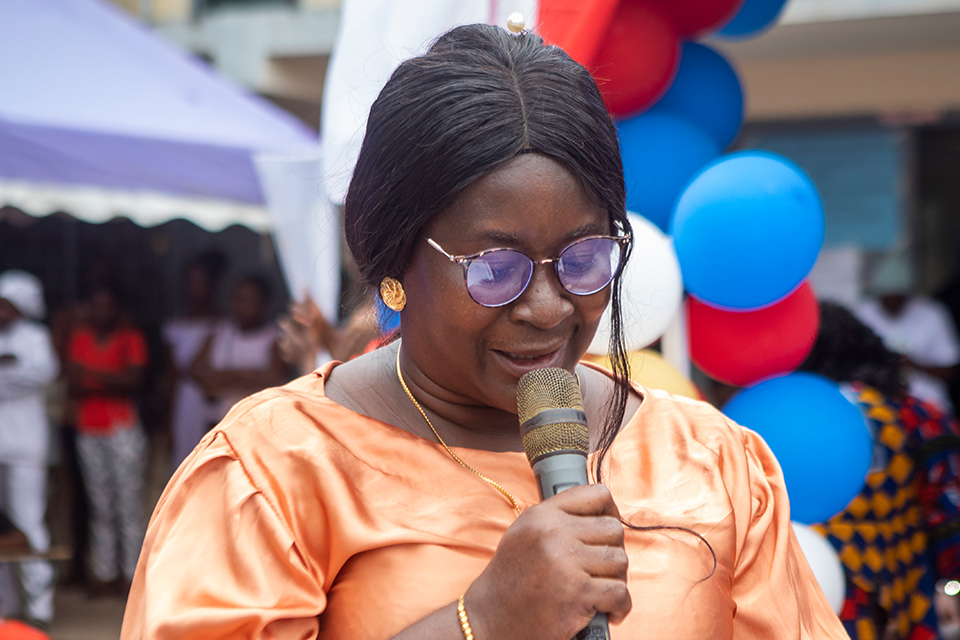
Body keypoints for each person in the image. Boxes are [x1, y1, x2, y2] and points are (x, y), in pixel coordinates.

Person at [121, 23, 846, 639]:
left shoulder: (714, 461)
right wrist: (484, 619)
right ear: (396, 263)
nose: (549, 306)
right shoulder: (273, 471)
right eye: (496, 270)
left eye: (584, 259)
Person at [800, 302, 960, 639]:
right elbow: (946, 510)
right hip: (906, 584)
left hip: (824, 584)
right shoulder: (916, 416)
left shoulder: (797, 420)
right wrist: (950, 580)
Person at [65, 284, 149, 596]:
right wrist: (110, 377)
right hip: (89, 427)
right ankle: (104, 576)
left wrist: (90, 375)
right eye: (96, 306)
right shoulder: (81, 336)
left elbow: (134, 380)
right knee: (100, 505)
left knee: (128, 504)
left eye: (107, 306)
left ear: (117, 309)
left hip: (122, 427)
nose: (101, 313)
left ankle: (132, 578)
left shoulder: (131, 337)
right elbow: (72, 380)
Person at [0, 271, 58, 629]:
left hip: (26, 446)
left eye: (7, 305)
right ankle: (4, 608)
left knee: (30, 523)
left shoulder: (37, 337)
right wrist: (11, 368)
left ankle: (39, 608)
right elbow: (19, 375)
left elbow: (41, 373)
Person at [856, 253, 960, 415]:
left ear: (908, 294)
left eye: (898, 297)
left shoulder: (932, 313)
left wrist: (913, 365)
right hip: (877, 406)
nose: (892, 302)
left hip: (927, 405)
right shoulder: (863, 313)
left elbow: (950, 371)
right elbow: (850, 367)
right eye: (886, 297)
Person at [189, 274, 287, 430]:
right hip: (217, 422)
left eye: (247, 301)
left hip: (257, 424)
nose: (240, 306)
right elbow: (196, 371)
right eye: (237, 299)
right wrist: (248, 374)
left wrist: (220, 379)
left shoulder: (274, 338)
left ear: (264, 303)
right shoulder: (218, 332)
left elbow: (271, 379)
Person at [161, 251, 228, 468]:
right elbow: (171, 375)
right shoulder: (175, 325)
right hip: (185, 400)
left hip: (216, 399)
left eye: (202, 282)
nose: (196, 288)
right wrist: (169, 422)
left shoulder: (224, 323)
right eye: (192, 283)